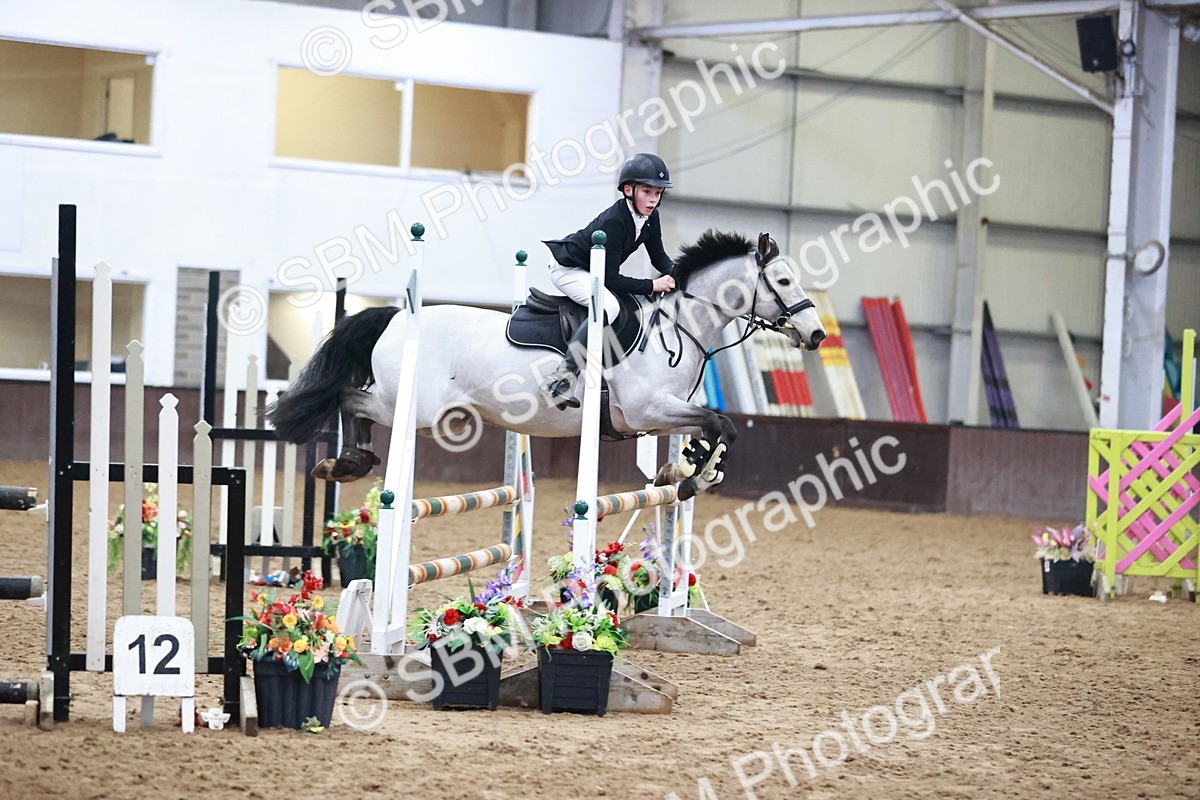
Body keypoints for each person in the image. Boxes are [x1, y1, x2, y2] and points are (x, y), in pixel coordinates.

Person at [539, 153, 678, 409]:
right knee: (608, 307)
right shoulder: (614, 221)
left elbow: (659, 257)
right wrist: (652, 285)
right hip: (568, 269)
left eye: (658, 193)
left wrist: (681, 274)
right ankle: (560, 379)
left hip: (593, 270)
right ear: (628, 190)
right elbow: (610, 279)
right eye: (647, 192)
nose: (653, 199)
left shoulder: (651, 218)